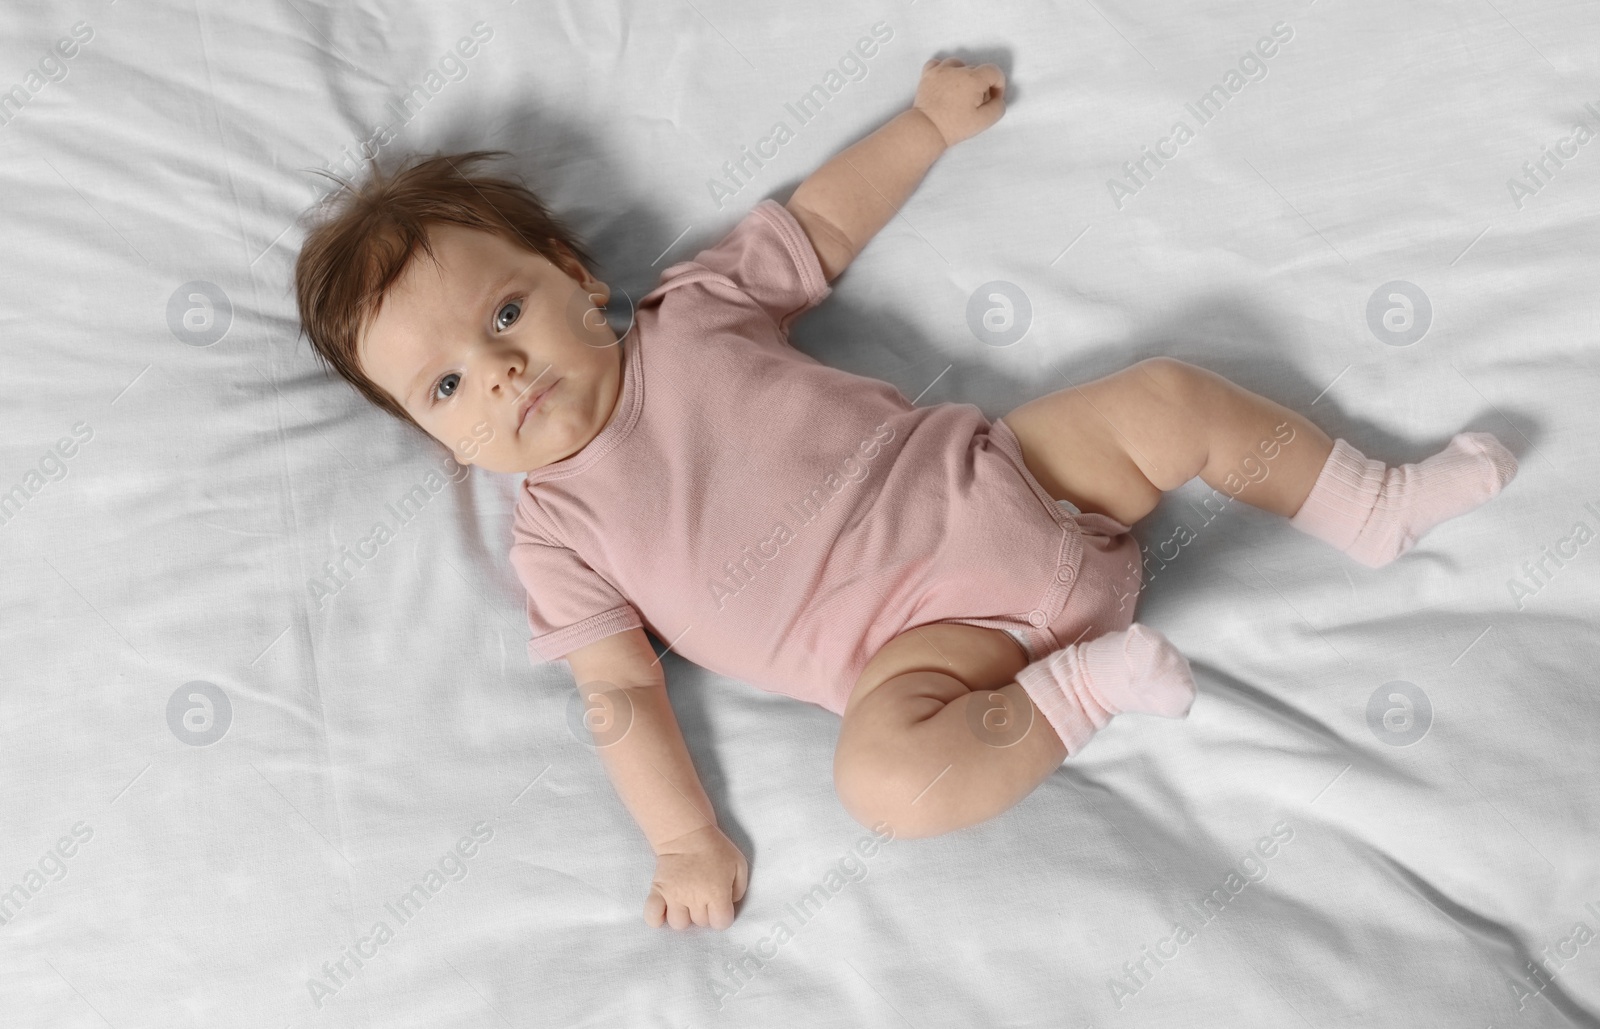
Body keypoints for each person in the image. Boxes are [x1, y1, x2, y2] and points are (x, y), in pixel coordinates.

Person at [292, 56, 1517, 933]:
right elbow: (619, 692)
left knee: (1166, 393)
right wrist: (684, 840)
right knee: (885, 784)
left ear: (574, 276)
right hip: (929, 658)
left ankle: (1369, 504)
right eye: (446, 386)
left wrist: (922, 128)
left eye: (503, 315)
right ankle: (1085, 691)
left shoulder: (692, 312)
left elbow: (816, 225)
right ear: (435, 440)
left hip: (1011, 477)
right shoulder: (555, 534)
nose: (500, 373)